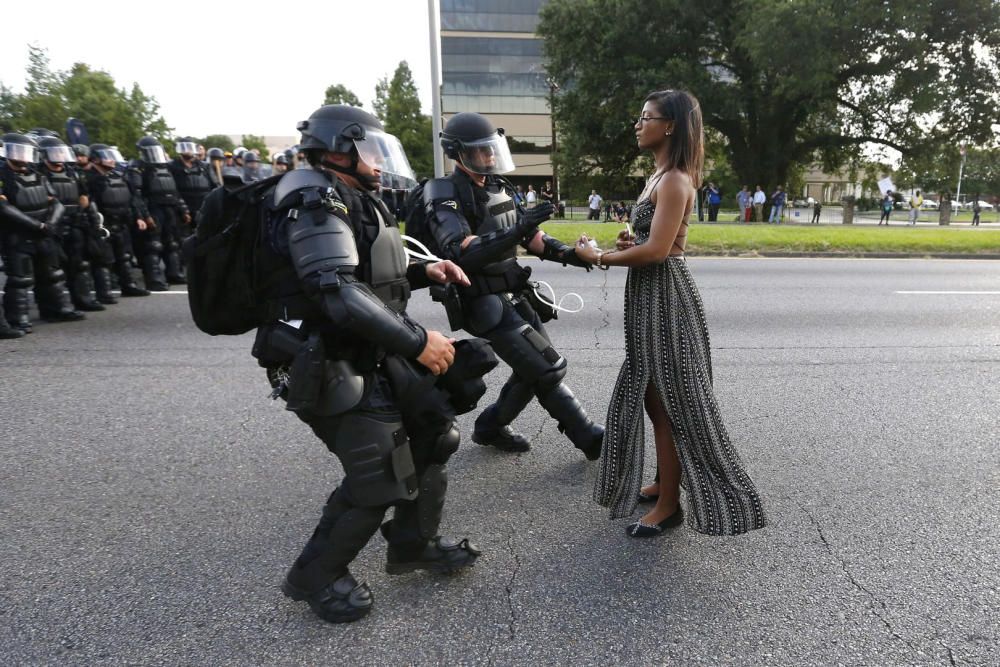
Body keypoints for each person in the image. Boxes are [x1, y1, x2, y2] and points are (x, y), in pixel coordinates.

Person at [252, 104, 486, 624]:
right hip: (325, 358)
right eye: (370, 151)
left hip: (365, 348)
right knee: (379, 473)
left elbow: (369, 273)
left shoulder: (346, 195)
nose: (379, 164)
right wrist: (417, 341)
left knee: (433, 432)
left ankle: (412, 543)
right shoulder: (312, 198)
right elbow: (336, 291)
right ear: (339, 148)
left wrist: (428, 271)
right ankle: (316, 576)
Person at [574, 90, 766, 538]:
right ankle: (665, 481)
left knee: (672, 402)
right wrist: (628, 243)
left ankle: (669, 505)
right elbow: (649, 242)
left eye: (646, 117)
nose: (638, 124)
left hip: (666, 298)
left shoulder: (676, 179)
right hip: (649, 295)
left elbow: (660, 251)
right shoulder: (658, 176)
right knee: (652, 395)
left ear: (671, 126)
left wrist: (598, 256)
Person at [422, 112, 604, 459]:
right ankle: (589, 437)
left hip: (514, 292)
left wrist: (573, 255)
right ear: (458, 153)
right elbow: (460, 250)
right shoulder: (443, 191)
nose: (489, 157)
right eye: (481, 151)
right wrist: (517, 230)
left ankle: (490, 427)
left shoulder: (498, 187)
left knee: (533, 368)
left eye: (492, 149)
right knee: (547, 367)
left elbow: (533, 237)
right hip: (481, 299)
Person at [0, 133, 85, 332]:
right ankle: (17, 318)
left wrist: (50, 223)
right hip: (17, 234)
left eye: (25, 151)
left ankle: (57, 309)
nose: (22, 156)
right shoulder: (3, 176)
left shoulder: (38, 174)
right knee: (21, 279)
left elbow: (55, 201)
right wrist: (37, 226)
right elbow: (4, 207)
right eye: (17, 151)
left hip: (44, 231)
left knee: (52, 273)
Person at [37, 136, 105, 311]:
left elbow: (84, 197)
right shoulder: (39, 174)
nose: (59, 156)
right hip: (52, 227)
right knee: (52, 270)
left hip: (75, 223)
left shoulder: (72, 172)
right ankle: (54, 308)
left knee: (79, 265)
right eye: (55, 152)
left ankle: (82, 300)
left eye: (61, 152)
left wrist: (92, 220)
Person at [86, 144, 151, 298]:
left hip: (122, 223)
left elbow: (133, 199)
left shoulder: (119, 176)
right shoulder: (89, 179)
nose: (112, 160)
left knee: (124, 257)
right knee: (103, 260)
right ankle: (104, 292)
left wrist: (139, 217)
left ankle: (129, 286)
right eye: (107, 156)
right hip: (103, 224)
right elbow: (87, 204)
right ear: (95, 158)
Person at [127, 136, 189, 287]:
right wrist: (145, 216)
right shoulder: (137, 168)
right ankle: (154, 279)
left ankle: (174, 273)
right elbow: (137, 195)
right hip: (153, 208)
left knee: (172, 243)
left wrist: (183, 209)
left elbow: (175, 191)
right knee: (153, 245)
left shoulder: (165, 167)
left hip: (170, 208)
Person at [168, 138, 214, 229]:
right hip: (183, 209)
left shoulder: (204, 166)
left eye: (190, 147)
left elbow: (214, 186)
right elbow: (172, 189)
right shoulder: (172, 166)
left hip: (203, 207)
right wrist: (183, 209)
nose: (188, 150)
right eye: (185, 147)